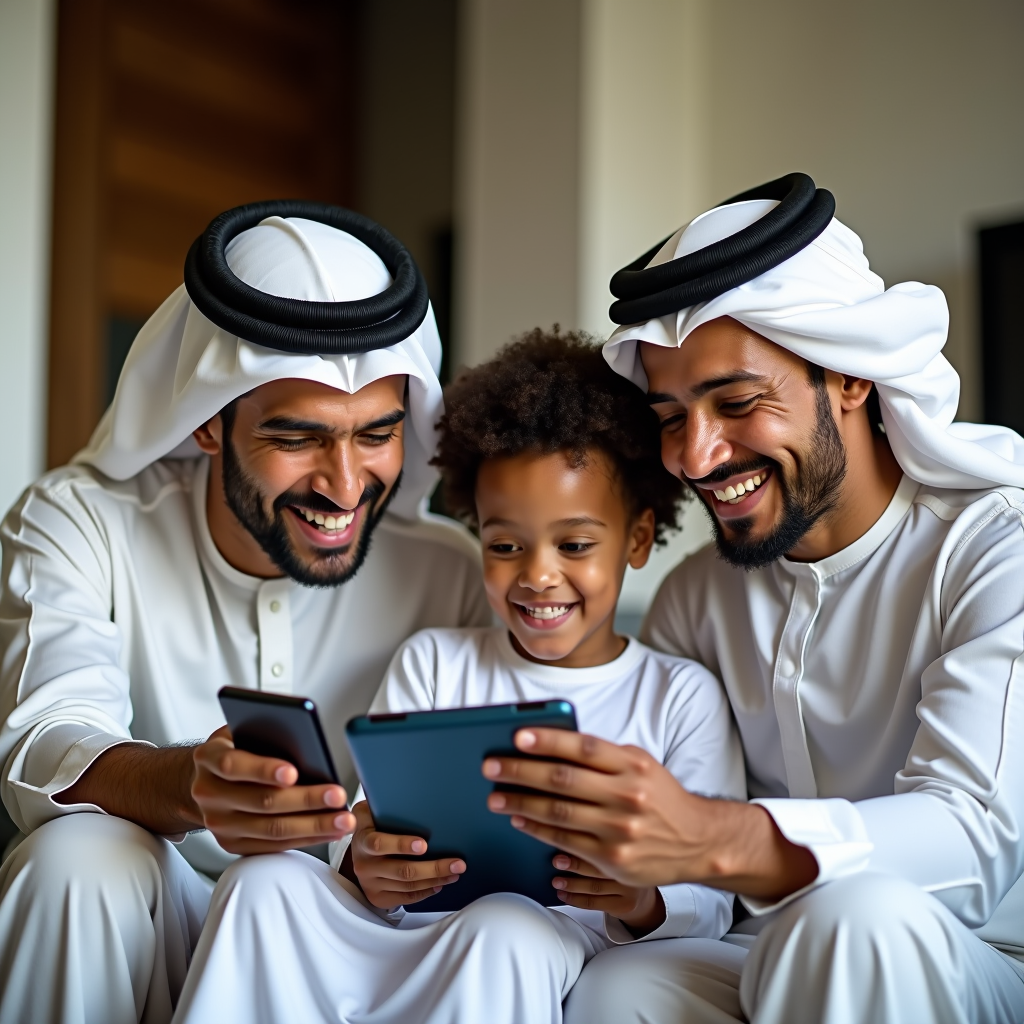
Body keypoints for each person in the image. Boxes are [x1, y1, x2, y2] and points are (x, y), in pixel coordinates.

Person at [474, 175, 1024, 1023]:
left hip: (979, 955)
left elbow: (972, 838)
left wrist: (718, 836)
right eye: (671, 417)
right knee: (618, 987)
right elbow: (673, 865)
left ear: (849, 377)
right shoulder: (696, 598)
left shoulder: (994, 548)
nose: (694, 458)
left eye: (736, 403)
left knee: (855, 920)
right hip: (759, 943)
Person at [0, 202, 491, 1024]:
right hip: (161, 918)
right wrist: (192, 785)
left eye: (377, 434)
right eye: (297, 439)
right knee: (76, 858)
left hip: (365, 945)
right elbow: (49, 742)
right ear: (208, 425)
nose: (345, 486)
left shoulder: (456, 573)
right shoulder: (77, 523)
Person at [172, 330, 746, 1024]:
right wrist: (365, 861)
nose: (538, 575)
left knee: (506, 919)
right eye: (505, 545)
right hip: (403, 933)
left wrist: (640, 897)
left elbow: (712, 898)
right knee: (265, 876)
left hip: (529, 942)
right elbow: (364, 824)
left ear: (637, 538)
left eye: (574, 545)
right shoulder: (435, 661)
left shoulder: (681, 696)